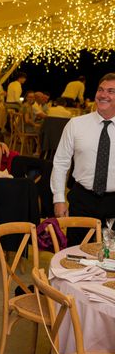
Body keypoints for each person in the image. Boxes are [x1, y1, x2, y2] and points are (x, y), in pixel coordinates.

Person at [51, 73, 115, 245]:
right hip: (82, 199)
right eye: (100, 90)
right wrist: (58, 198)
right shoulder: (76, 124)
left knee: (112, 259)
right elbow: (61, 162)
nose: (103, 95)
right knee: (75, 254)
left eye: (111, 91)